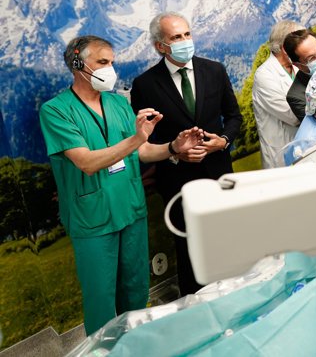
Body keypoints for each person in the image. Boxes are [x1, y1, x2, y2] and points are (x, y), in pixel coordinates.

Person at [39, 35, 204, 335]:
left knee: (136, 289)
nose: (110, 70)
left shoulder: (117, 103)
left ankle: (137, 343)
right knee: (101, 298)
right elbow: (86, 162)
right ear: (77, 64)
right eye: (102, 62)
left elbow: (141, 151)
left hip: (130, 208)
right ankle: (105, 350)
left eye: (112, 63)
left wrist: (172, 147)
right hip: (92, 218)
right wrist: (137, 138)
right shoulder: (56, 111)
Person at [130, 11, 243, 296]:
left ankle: (236, 296)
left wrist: (223, 141)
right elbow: (145, 141)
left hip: (218, 173)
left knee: (229, 240)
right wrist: (174, 154)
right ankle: (197, 304)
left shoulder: (214, 70)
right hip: (177, 181)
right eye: (176, 37)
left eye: (187, 34)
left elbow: (234, 117)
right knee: (189, 248)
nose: (185, 41)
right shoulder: (145, 85)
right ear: (160, 46)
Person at [252, 20, 304, 169]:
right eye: (299, 42)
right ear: (285, 48)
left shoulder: (298, 68)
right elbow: (294, 116)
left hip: (304, 148)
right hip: (280, 156)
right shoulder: (264, 75)